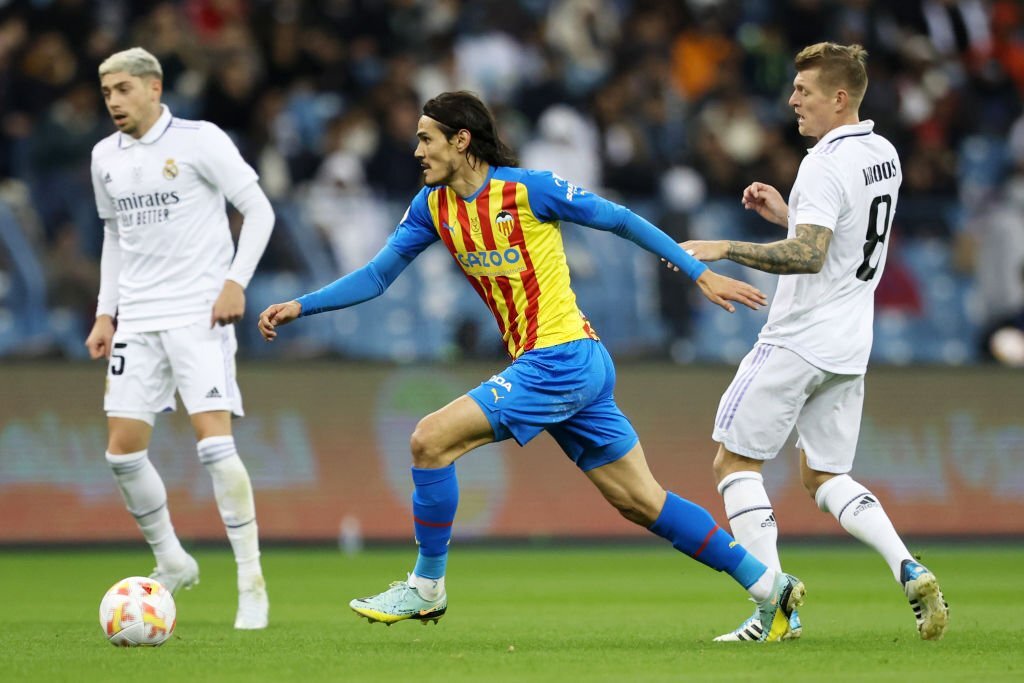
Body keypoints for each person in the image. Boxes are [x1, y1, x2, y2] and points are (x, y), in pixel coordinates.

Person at [258, 90, 805, 641]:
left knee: (429, 440)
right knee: (643, 501)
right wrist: (303, 305)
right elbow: (377, 276)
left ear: (461, 140)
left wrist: (697, 272)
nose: (417, 150)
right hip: (569, 364)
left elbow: (618, 220)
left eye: (427, 138)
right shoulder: (433, 207)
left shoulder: (528, 190)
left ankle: (426, 589)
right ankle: (770, 589)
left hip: (561, 358)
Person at [675, 42, 949, 641]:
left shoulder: (823, 162)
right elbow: (846, 237)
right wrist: (790, 211)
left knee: (734, 462)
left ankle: (773, 608)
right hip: (852, 342)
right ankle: (907, 564)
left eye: (805, 91)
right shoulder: (884, 153)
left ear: (840, 98)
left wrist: (725, 247)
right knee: (823, 477)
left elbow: (811, 254)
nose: (793, 100)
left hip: (799, 337)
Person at [84, 47, 274, 630]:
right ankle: (171, 558)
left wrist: (235, 283)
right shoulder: (104, 158)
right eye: (107, 91)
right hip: (137, 318)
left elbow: (259, 210)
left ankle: (251, 583)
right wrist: (104, 313)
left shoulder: (200, 139)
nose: (113, 100)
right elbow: (115, 236)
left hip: (199, 313)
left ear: (153, 86)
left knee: (214, 444)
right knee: (122, 450)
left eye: (122, 89)